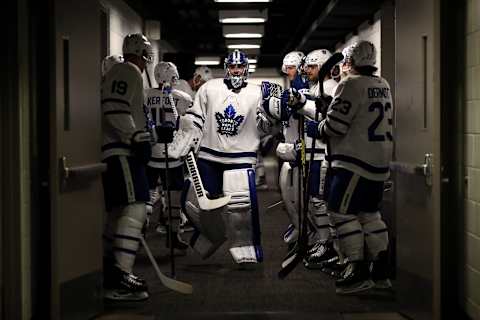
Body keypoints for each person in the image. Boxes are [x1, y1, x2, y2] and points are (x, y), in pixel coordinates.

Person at [302, 40, 393, 294]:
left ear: (350, 62)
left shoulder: (350, 84)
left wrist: (316, 126)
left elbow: (335, 127)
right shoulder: (382, 84)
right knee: (369, 215)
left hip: (354, 162)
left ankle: (357, 268)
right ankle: (381, 271)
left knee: (339, 212)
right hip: (378, 161)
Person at [181, 49, 279, 264]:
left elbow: (267, 126)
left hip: (241, 157)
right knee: (196, 204)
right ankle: (211, 236)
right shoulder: (209, 88)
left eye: (240, 66)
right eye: (233, 66)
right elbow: (195, 117)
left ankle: (244, 248)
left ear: (246, 68)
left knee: (240, 207)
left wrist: (271, 120)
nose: (236, 70)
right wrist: (186, 134)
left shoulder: (259, 92)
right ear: (227, 67)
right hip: (208, 155)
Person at [101, 33, 154, 301]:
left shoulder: (128, 72)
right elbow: (114, 106)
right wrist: (134, 136)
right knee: (136, 207)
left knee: (118, 213)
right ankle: (120, 275)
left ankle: (107, 271)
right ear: (144, 53)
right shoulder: (128, 70)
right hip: (120, 152)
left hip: (117, 151)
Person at [144, 61, 195, 250]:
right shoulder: (180, 97)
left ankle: (139, 235)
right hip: (171, 154)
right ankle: (173, 235)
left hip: (151, 153)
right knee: (174, 198)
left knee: (148, 196)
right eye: (174, 77)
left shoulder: (145, 95)